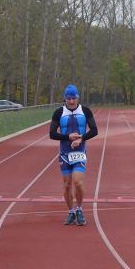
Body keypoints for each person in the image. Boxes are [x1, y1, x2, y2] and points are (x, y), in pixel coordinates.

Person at [49, 84, 98, 226]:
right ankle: (71, 211)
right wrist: (68, 137)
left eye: (73, 98)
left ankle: (79, 209)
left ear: (78, 98)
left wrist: (81, 138)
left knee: (78, 182)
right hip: (64, 153)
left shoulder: (85, 111)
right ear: (65, 99)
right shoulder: (59, 112)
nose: (71, 101)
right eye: (68, 98)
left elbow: (94, 130)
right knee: (67, 184)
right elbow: (52, 134)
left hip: (79, 152)